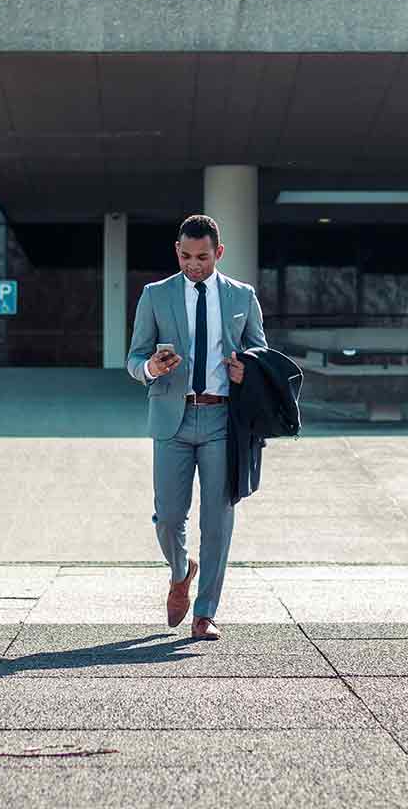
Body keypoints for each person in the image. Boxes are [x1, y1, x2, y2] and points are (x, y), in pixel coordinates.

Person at [126, 214, 268, 641]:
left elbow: (261, 351)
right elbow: (133, 360)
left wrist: (249, 370)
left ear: (218, 253)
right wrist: (150, 367)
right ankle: (181, 568)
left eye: (202, 257)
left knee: (218, 520)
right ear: (177, 251)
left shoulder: (243, 296)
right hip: (172, 416)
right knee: (168, 518)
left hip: (223, 419)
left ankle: (205, 612)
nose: (193, 264)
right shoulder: (155, 295)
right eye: (186, 256)